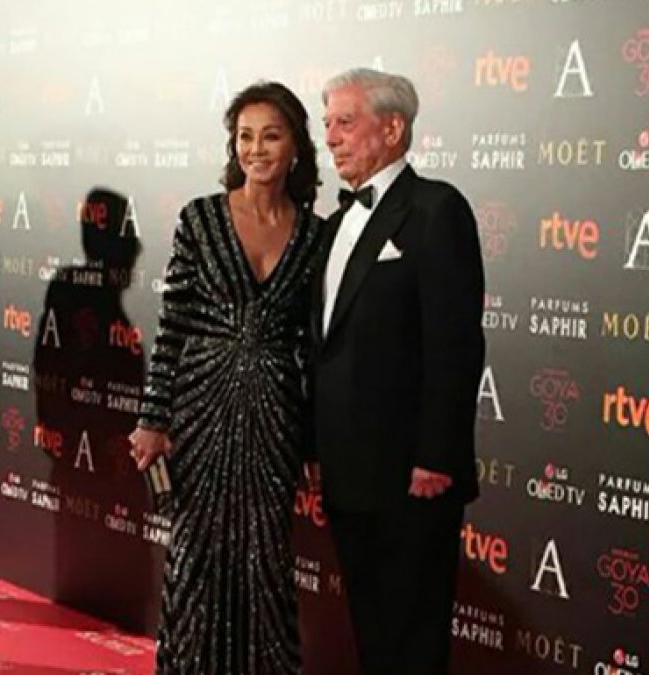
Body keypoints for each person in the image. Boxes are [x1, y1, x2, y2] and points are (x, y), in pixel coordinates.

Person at [128, 81, 323, 675]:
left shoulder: (316, 234)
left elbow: (313, 350)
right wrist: (154, 419)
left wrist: (312, 442)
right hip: (201, 408)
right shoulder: (202, 218)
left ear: (295, 147)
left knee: (265, 558)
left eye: (270, 135)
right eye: (244, 136)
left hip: (274, 415)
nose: (256, 149)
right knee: (196, 558)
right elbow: (173, 326)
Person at [310, 69, 485, 675]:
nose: (329, 136)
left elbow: (454, 342)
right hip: (347, 468)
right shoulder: (333, 225)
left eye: (344, 121)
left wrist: (437, 455)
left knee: (412, 636)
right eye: (326, 121)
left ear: (392, 127)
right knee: (373, 627)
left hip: (412, 475)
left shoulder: (436, 210)